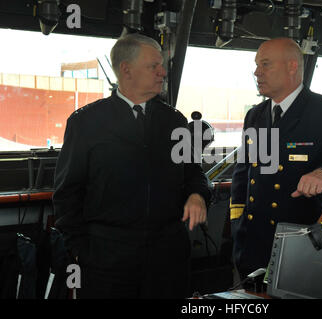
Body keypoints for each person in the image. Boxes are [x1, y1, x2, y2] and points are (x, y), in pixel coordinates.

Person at [52, 33, 211, 298]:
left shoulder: (174, 122)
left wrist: (197, 194)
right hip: (107, 259)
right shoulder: (87, 122)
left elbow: (194, 174)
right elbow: (67, 193)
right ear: (126, 69)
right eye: (153, 66)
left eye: (162, 66)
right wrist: (82, 250)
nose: (162, 73)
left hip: (167, 258)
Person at [230, 38, 322, 278]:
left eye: (265, 65)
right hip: (252, 242)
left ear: (292, 66)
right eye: (256, 65)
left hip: (299, 244)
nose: (257, 72)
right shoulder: (256, 115)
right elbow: (243, 172)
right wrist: (237, 222)